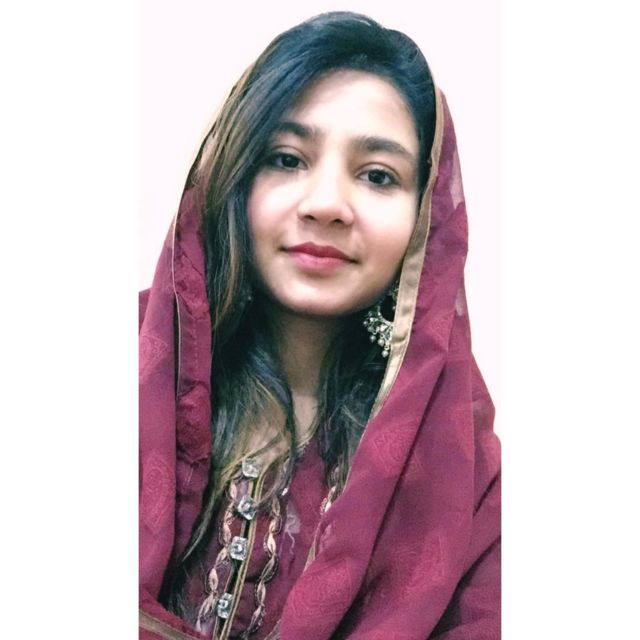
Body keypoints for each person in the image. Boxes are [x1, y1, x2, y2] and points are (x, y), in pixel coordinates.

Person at [139, 11, 500, 640]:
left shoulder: (458, 459)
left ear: (425, 217)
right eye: (286, 159)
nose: (327, 204)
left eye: (378, 175)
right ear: (232, 175)